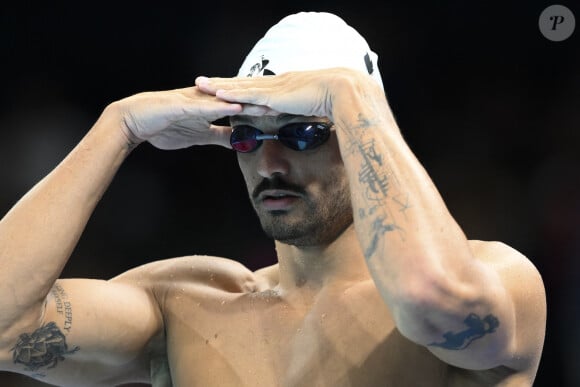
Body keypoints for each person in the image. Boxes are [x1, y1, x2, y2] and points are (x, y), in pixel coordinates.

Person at [0, 11, 546, 387]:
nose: (269, 165)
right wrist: (117, 125)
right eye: (247, 136)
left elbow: (427, 301)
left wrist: (352, 97)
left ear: (365, 133)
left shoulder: (498, 277)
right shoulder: (187, 304)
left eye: (301, 133)